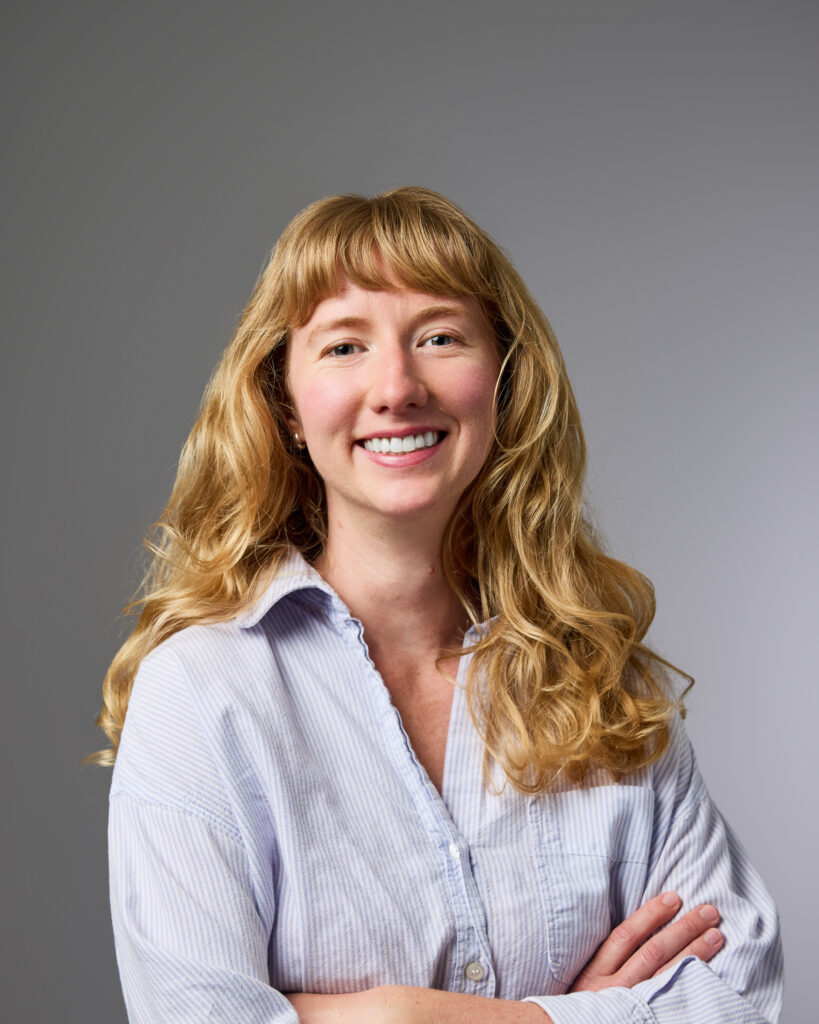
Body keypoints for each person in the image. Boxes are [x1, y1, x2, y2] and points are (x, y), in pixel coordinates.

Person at [92, 187, 783, 1023]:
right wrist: (581, 1015)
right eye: (344, 346)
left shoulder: (603, 683)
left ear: (503, 382)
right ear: (287, 408)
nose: (396, 387)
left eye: (440, 337)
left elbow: (738, 990)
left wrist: (404, 1018)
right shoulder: (201, 694)